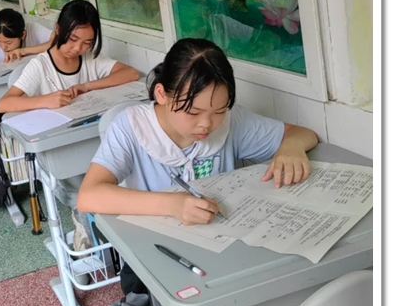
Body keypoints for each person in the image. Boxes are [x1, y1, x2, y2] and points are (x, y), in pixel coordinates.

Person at [76, 38, 318, 225]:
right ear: (162, 95)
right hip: (154, 247)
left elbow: (301, 133)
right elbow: (88, 196)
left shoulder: (232, 121)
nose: (207, 124)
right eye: (193, 112)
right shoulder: (130, 127)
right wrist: (172, 205)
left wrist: (291, 146)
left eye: (219, 111)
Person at [0, 0, 140, 113]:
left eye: (87, 42)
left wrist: (87, 86)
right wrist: (45, 100)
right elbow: (3, 104)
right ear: (58, 29)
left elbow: (131, 73)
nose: (78, 48)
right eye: (73, 39)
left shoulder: (89, 58)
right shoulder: (40, 66)